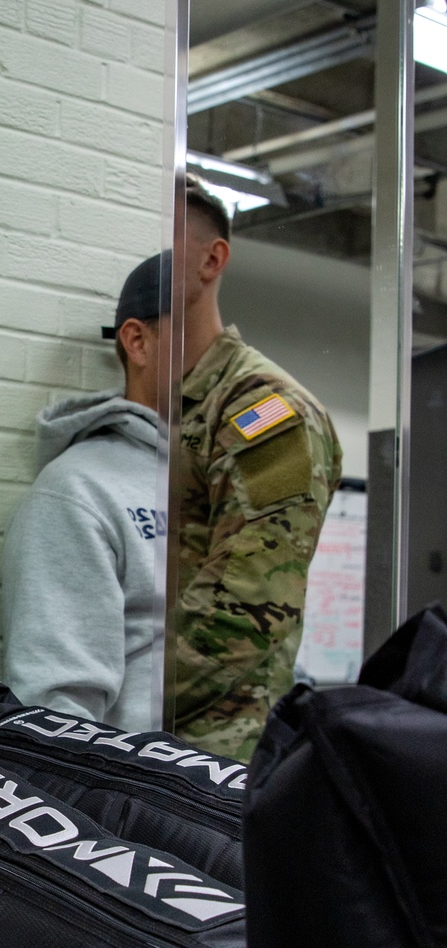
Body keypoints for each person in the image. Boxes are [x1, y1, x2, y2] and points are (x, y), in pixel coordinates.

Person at [173, 173, 342, 761]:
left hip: (216, 760)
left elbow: (240, 617)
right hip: (141, 745)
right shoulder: (155, 401)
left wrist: (122, 700)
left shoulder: (264, 413)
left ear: (211, 259)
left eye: (160, 240)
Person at [0, 251, 169, 731]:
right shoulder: (79, 490)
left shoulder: (234, 485)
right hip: (160, 791)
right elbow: (57, 710)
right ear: (137, 341)